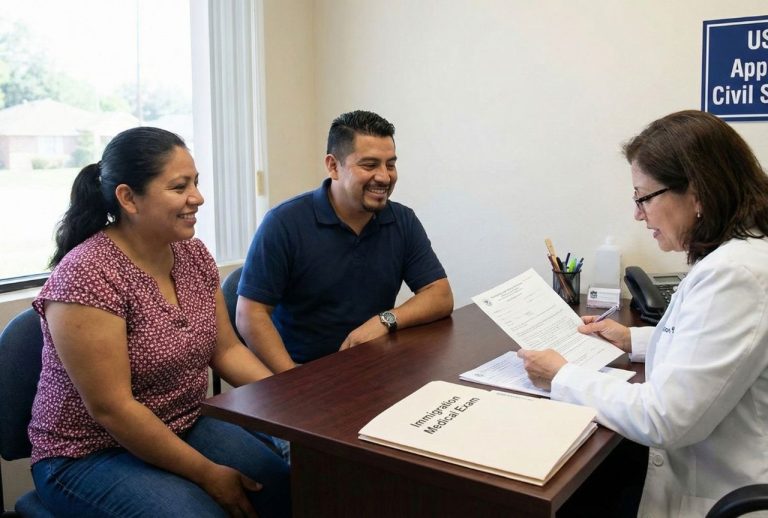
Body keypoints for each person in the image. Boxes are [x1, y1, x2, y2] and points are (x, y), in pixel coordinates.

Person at [29, 127, 290, 517]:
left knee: (284, 486)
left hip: (181, 422)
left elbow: (227, 349)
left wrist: (292, 402)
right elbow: (114, 409)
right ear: (128, 198)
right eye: (179, 186)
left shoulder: (193, 254)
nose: (198, 198)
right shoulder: (86, 275)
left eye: (196, 183)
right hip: (87, 452)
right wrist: (206, 473)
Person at [519, 110, 768, 517]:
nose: (638, 214)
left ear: (698, 192)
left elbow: (665, 417)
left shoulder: (735, 273)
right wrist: (630, 338)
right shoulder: (744, 256)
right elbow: (712, 343)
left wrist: (561, 376)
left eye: (643, 198)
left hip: (722, 497)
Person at [236, 110, 453, 372]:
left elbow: (439, 295)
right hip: (307, 371)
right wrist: (292, 381)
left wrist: (384, 321)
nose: (384, 177)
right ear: (333, 166)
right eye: (370, 165)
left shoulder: (402, 220)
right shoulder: (284, 223)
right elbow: (250, 315)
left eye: (390, 164)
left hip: (375, 366)